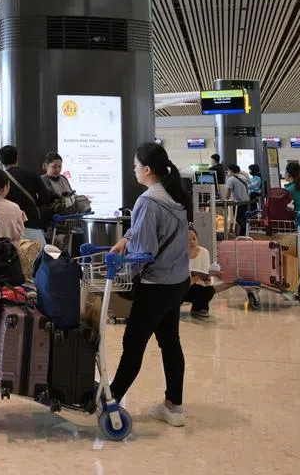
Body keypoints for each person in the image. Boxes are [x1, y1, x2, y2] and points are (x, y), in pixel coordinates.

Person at [107, 142, 191, 427]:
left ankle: (110, 400)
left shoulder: (147, 201)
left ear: (146, 169)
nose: (133, 170)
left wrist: (121, 268)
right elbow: (148, 232)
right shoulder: (174, 195)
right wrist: (126, 238)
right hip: (178, 281)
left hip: (155, 285)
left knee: (133, 342)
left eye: (134, 165)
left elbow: (145, 250)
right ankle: (174, 406)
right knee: (170, 342)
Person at [0, 145, 51, 244]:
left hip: (9, 227)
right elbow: (45, 196)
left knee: (14, 258)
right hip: (32, 223)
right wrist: (34, 204)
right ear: (17, 158)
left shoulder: (0, 178)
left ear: (1, 161)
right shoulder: (31, 174)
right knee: (36, 256)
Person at [184, 227, 214, 317]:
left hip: (197, 285)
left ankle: (199, 308)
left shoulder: (204, 252)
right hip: (182, 286)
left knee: (209, 290)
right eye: (188, 239)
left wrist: (208, 279)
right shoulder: (179, 253)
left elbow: (205, 272)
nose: (192, 242)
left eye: (194, 238)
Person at [224, 164, 251, 235]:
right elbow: (247, 189)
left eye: (228, 171)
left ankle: (244, 231)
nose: (227, 172)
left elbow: (228, 192)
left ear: (231, 171)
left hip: (237, 202)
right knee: (243, 217)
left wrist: (225, 200)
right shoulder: (243, 177)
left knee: (238, 218)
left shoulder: (230, 179)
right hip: (246, 201)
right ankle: (243, 233)